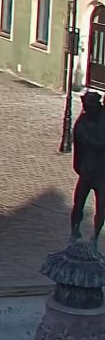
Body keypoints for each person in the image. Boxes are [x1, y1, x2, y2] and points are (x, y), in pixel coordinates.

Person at [72, 92, 105, 241]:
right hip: (87, 170)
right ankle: (74, 232)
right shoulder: (82, 123)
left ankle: (95, 237)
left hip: (102, 173)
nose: (89, 110)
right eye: (87, 107)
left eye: (92, 107)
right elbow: (82, 141)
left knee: (102, 207)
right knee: (78, 204)